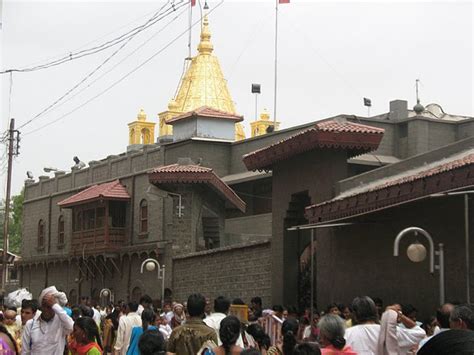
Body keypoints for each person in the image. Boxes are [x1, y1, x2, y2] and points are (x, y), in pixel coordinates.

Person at [344, 297, 425, 355]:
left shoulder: (346, 334)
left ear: (354, 315)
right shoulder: (388, 331)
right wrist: (399, 314)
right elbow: (419, 333)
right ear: (375, 312)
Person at [21, 286, 74, 355]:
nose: (46, 310)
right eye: (44, 306)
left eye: (49, 307)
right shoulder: (30, 324)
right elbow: (25, 351)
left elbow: (72, 327)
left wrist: (54, 305)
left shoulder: (61, 323)